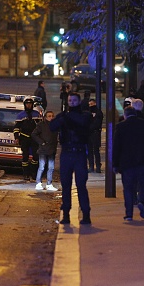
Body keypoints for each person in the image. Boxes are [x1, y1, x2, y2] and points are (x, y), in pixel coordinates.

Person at [50, 92, 92, 225]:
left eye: (74, 100)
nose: (72, 102)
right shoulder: (64, 115)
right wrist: (62, 117)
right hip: (67, 152)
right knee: (66, 185)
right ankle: (66, 214)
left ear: (78, 101)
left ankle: (86, 214)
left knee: (81, 184)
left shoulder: (84, 114)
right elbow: (52, 126)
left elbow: (83, 122)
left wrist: (67, 116)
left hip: (79, 153)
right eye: (70, 100)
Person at [113, 106, 144, 221]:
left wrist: (115, 164)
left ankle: (129, 214)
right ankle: (142, 201)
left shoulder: (121, 127)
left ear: (125, 115)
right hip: (143, 161)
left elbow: (116, 147)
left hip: (127, 163)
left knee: (128, 189)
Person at [14, 98, 41, 181]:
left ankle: (33, 173)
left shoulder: (36, 114)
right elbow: (16, 128)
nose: (29, 105)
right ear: (24, 104)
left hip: (34, 138)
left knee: (36, 156)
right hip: (24, 137)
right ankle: (26, 174)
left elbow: (40, 127)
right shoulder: (20, 115)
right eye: (27, 103)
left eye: (30, 103)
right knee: (25, 157)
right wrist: (17, 138)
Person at [32, 110, 59, 191]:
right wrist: (41, 142)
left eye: (52, 116)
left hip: (52, 149)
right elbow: (34, 134)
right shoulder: (41, 125)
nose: (51, 117)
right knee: (42, 166)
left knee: (51, 167)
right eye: (49, 116)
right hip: (43, 149)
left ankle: (49, 184)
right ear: (45, 117)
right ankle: (38, 183)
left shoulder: (55, 125)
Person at [87, 98, 103, 173]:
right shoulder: (88, 113)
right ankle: (91, 166)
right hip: (89, 134)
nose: (90, 106)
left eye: (92, 104)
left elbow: (97, 123)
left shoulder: (98, 113)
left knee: (96, 150)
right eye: (89, 104)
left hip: (95, 133)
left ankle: (97, 166)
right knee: (90, 150)